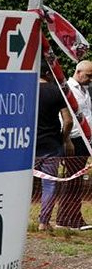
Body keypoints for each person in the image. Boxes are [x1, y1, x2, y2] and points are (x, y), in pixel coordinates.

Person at [35, 65, 74, 231]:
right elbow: (68, 121)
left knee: (20, 183)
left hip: (28, 146)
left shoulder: (25, 90)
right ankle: (43, 222)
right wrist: (64, 139)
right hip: (51, 145)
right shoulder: (56, 91)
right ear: (48, 73)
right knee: (49, 185)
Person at [57, 61, 92, 228]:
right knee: (72, 179)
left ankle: (74, 216)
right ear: (78, 72)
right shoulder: (67, 90)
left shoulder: (84, 90)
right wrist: (67, 141)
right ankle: (65, 218)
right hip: (75, 140)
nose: (90, 79)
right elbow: (64, 117)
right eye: (89, 76)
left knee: (77, 181)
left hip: (86, 140)